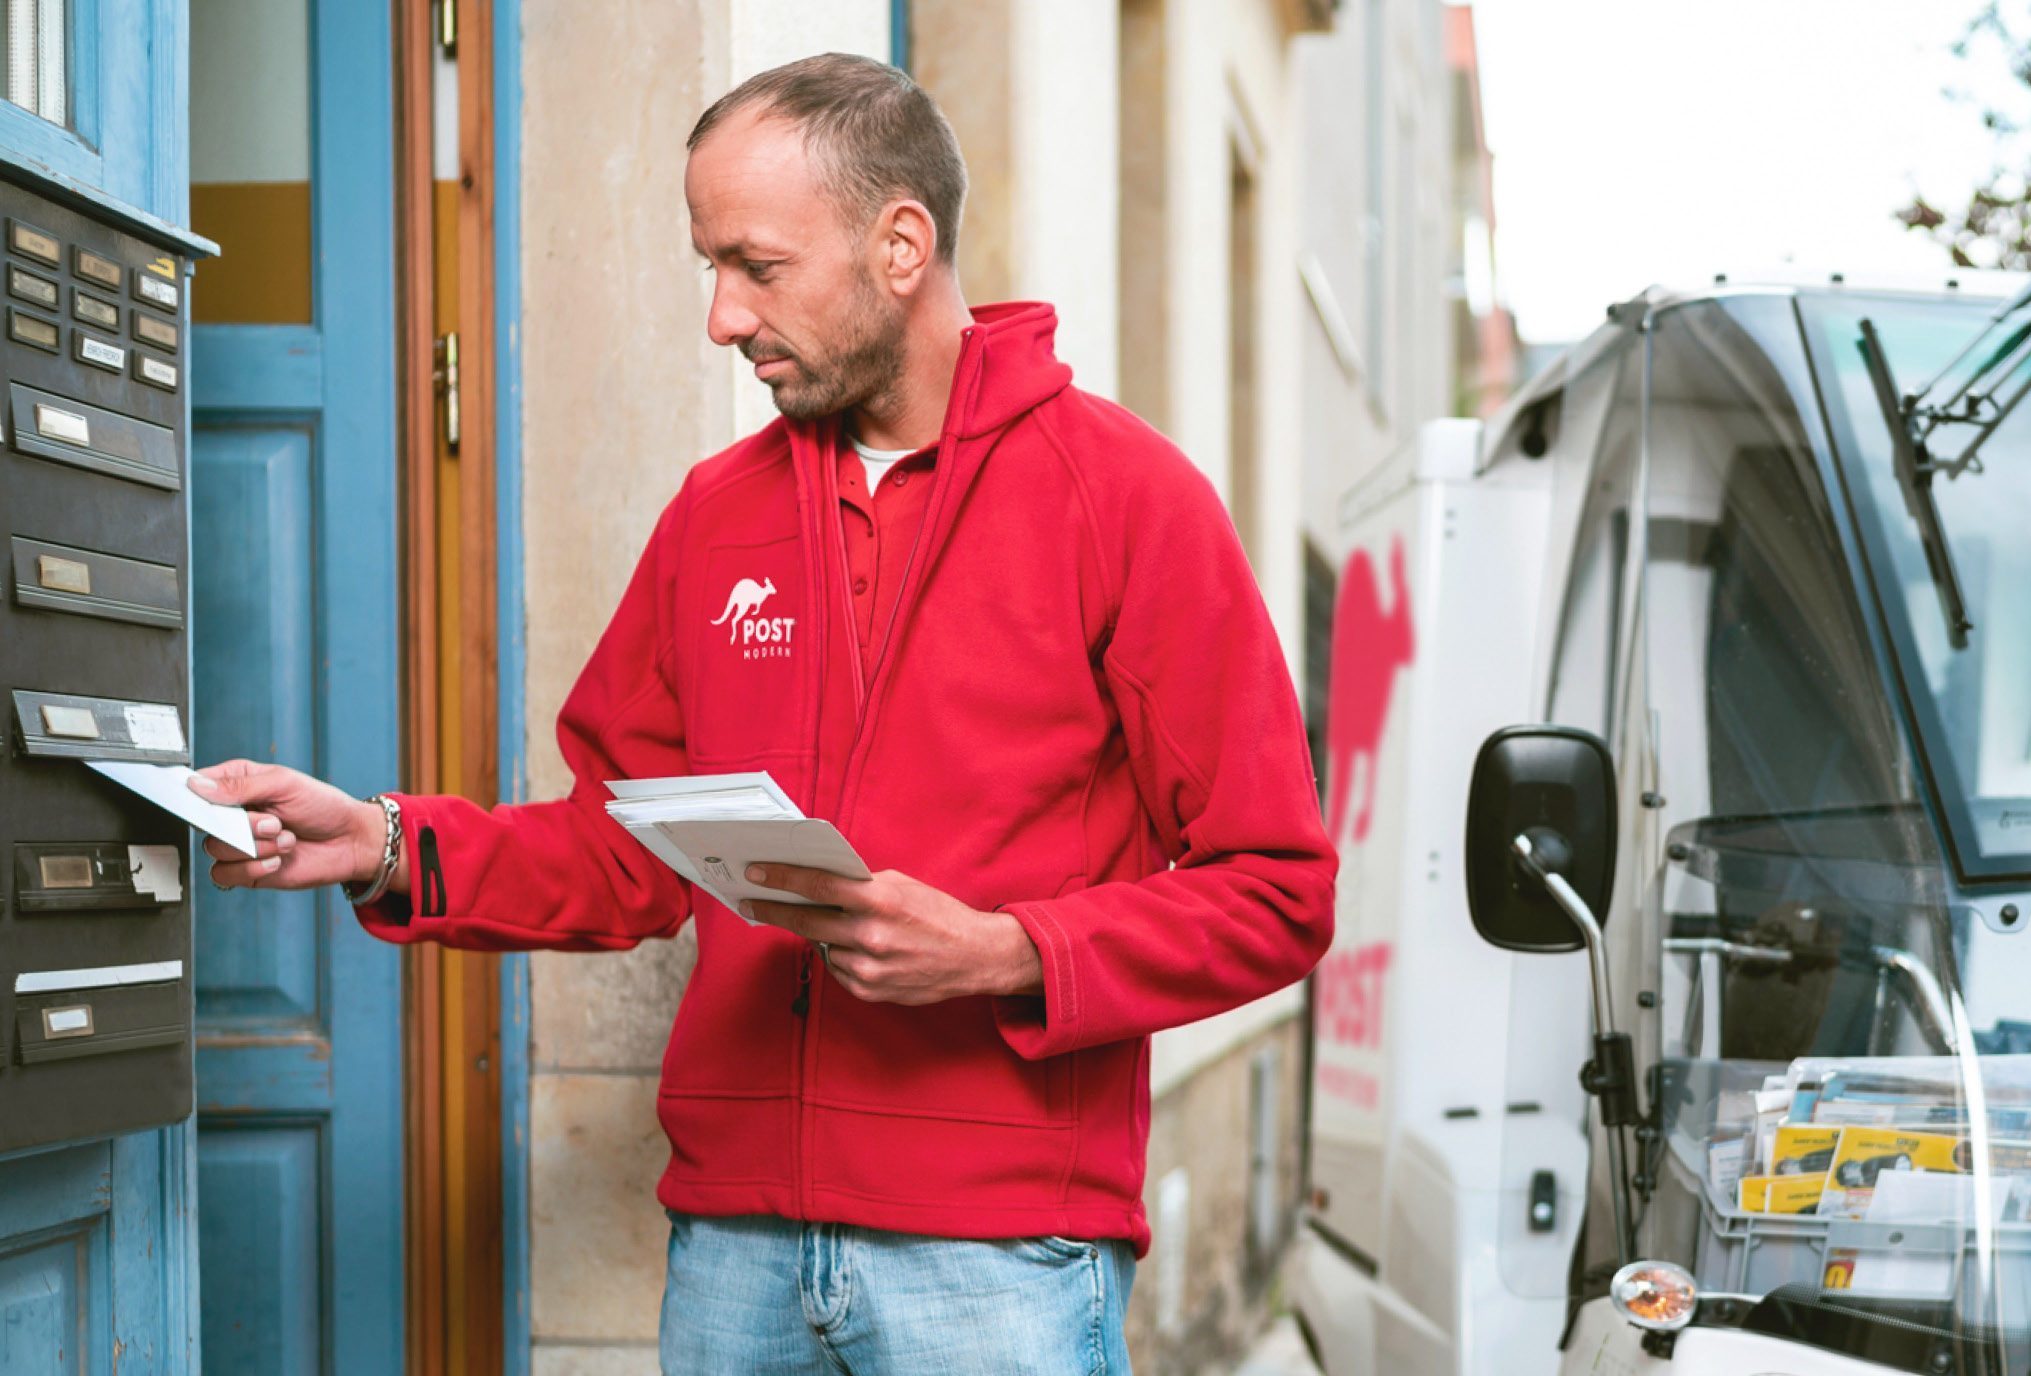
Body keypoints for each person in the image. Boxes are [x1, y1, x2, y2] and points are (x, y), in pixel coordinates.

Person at [187, 53, 1335, 1375]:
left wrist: (1010, 950)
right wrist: (387, 843)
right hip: (737, 1255)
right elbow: (622, 849)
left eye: (757, 266)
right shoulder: (713, 516)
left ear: (901, 244)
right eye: (706, 267)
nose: (722, 318)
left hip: (1001, 1261)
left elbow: (1278, 890)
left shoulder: (1127, 500)